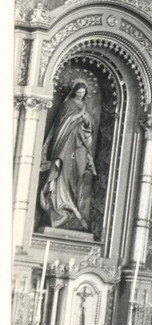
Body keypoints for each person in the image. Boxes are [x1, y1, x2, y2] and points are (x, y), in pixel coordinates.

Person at [40, 81, 97, 231]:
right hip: (65, 146)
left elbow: (89, 129)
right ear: (74, 92)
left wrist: (86, 121)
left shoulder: (84, 107)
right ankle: (59, 208)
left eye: (83, 93)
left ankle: (73, 209)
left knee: (77, 177)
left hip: (79, 148)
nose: (80, 95)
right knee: (62, 176)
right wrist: (77, 116)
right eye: (78, 92)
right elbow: (61, 125)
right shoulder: (67, 105)